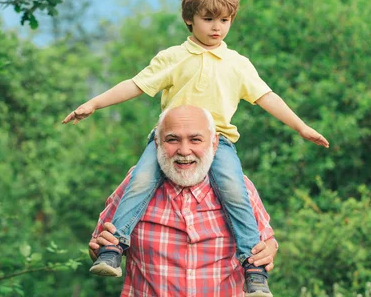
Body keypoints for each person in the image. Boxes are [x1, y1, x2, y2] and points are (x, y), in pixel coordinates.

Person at [63, 0, 329, 295]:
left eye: (225, 20)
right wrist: (93, 103)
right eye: (208, 18)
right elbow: (135, 85)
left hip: (220, 141)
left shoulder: (237, 64)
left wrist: (301, 126)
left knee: (233, 190)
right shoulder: (173, 58)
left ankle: (253, 268)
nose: (217, 27)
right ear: (189, 19)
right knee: (141, 180)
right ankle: (114, 248)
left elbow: (267, 97)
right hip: (168, 137)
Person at [89, 105, 278, 296]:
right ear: (157, 143)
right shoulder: (136, 185)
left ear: (214, 144)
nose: (184, 151)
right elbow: (99, 245)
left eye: (195, 139)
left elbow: (267, 242)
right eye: (173, 139)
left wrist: (267, 252)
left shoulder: (238, 187)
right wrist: (100, 248)